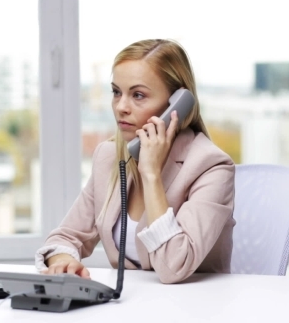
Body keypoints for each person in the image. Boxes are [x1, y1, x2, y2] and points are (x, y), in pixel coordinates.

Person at [34, 39, 235, 284]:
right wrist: (62, 261)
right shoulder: (109, 156)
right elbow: (65, 237)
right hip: (131, 305)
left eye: (138, 95)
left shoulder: (210, 167)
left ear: (177, 104)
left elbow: (175, 267)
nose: (121, 107)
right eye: (116, 92)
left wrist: (150, 174)